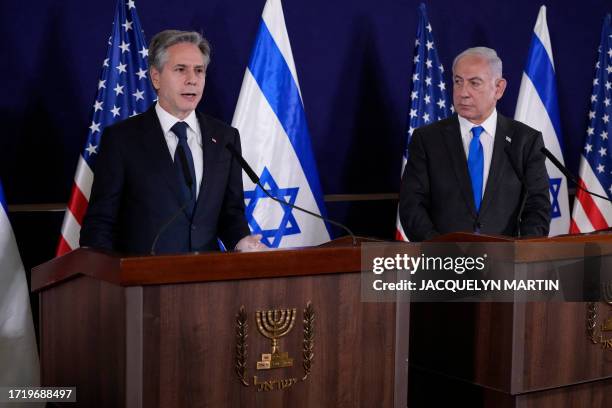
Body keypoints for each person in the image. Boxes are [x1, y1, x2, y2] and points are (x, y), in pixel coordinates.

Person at [80, 30, 263, 254]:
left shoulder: (225, 137)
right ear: (155, 77)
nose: (192, 80)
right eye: (180, 70)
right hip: (143, 280)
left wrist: (242, 241)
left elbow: (230, 213)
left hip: (210, 278)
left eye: (199, 71)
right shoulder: (121, 140)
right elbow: (100, 222)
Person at [399, 47, 551, 241]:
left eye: (474, 83)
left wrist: (521, 255)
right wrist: (438, 252)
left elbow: (538, 207)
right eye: (458, 81)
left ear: (499, 88)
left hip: (506, 265)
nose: (463, 93)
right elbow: (411, 206)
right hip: (442, 264)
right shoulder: (427, 140)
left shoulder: (525, 141)